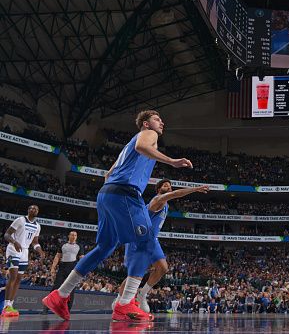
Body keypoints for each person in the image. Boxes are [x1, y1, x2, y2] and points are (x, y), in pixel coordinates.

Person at [42, 110, 193, 322]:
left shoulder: (127, 147)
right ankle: (125, 303)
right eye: (157, 119)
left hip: (107, 194)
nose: (162, 122)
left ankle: (61, 294)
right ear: (145, 124)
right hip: (125, 194)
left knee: (104, 247)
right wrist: (172, 161)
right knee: (147, 242)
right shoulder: (149, 135)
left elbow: (108, 174)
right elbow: (142, 147)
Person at [112, 179, 209, 312]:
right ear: (158, 189)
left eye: (170, 186)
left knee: (163, 268)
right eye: (165, 185)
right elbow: (177, 193)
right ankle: (119, 299)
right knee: (135, 273)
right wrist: (195, 189)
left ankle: (142, 294)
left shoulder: (165, 204)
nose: (169, 187)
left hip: (152, 239)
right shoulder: (158, 200)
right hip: (140, 239)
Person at [2, 205, 44, 317]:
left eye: (36, 209)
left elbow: (35, 242)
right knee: (13, 276)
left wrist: (40, 251)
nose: (34, 210)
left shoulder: (37, 226)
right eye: (32, 208)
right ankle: (5, 306)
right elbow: (7, 234)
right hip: (13, 249)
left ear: (38, 212)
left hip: (24, 251)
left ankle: (11, 304)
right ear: (28, 210)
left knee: (19, 279)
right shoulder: (20, 220)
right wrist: (14, 242)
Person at [45, 231, 84, 313]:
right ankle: (46, 307)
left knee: (71, 289)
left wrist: (83, 270)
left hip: (73, 268)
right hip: (62, 267)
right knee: (56, 286)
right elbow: (57, 256)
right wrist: (53, 268)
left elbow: (82, 259)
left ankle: (67, 310)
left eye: (75, 235)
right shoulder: (63, 244)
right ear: (69, 236)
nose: (74, 236)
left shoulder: (79, 246)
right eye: (72, 235)